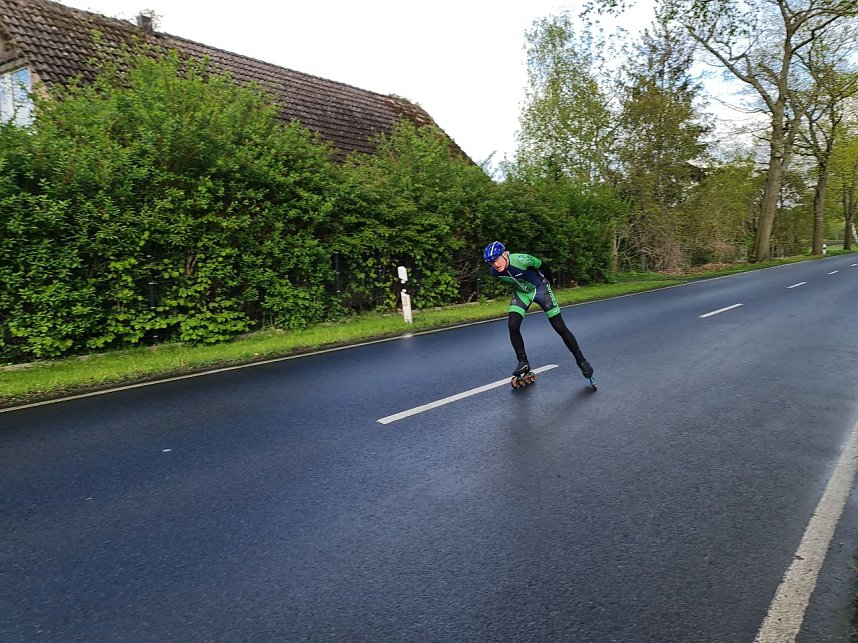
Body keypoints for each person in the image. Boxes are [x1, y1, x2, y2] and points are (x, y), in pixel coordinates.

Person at [483, 241, 594, 380]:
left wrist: (549, 282)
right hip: (522, 293)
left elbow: (544, 266)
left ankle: (581, 361)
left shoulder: (522, 260)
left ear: (505, 254)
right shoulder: (494, 272)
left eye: (497, 259)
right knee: (512, 325)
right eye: (492, 262)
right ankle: (523, 362)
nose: (496, 264)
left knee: (559, 327)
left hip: (540, 289)